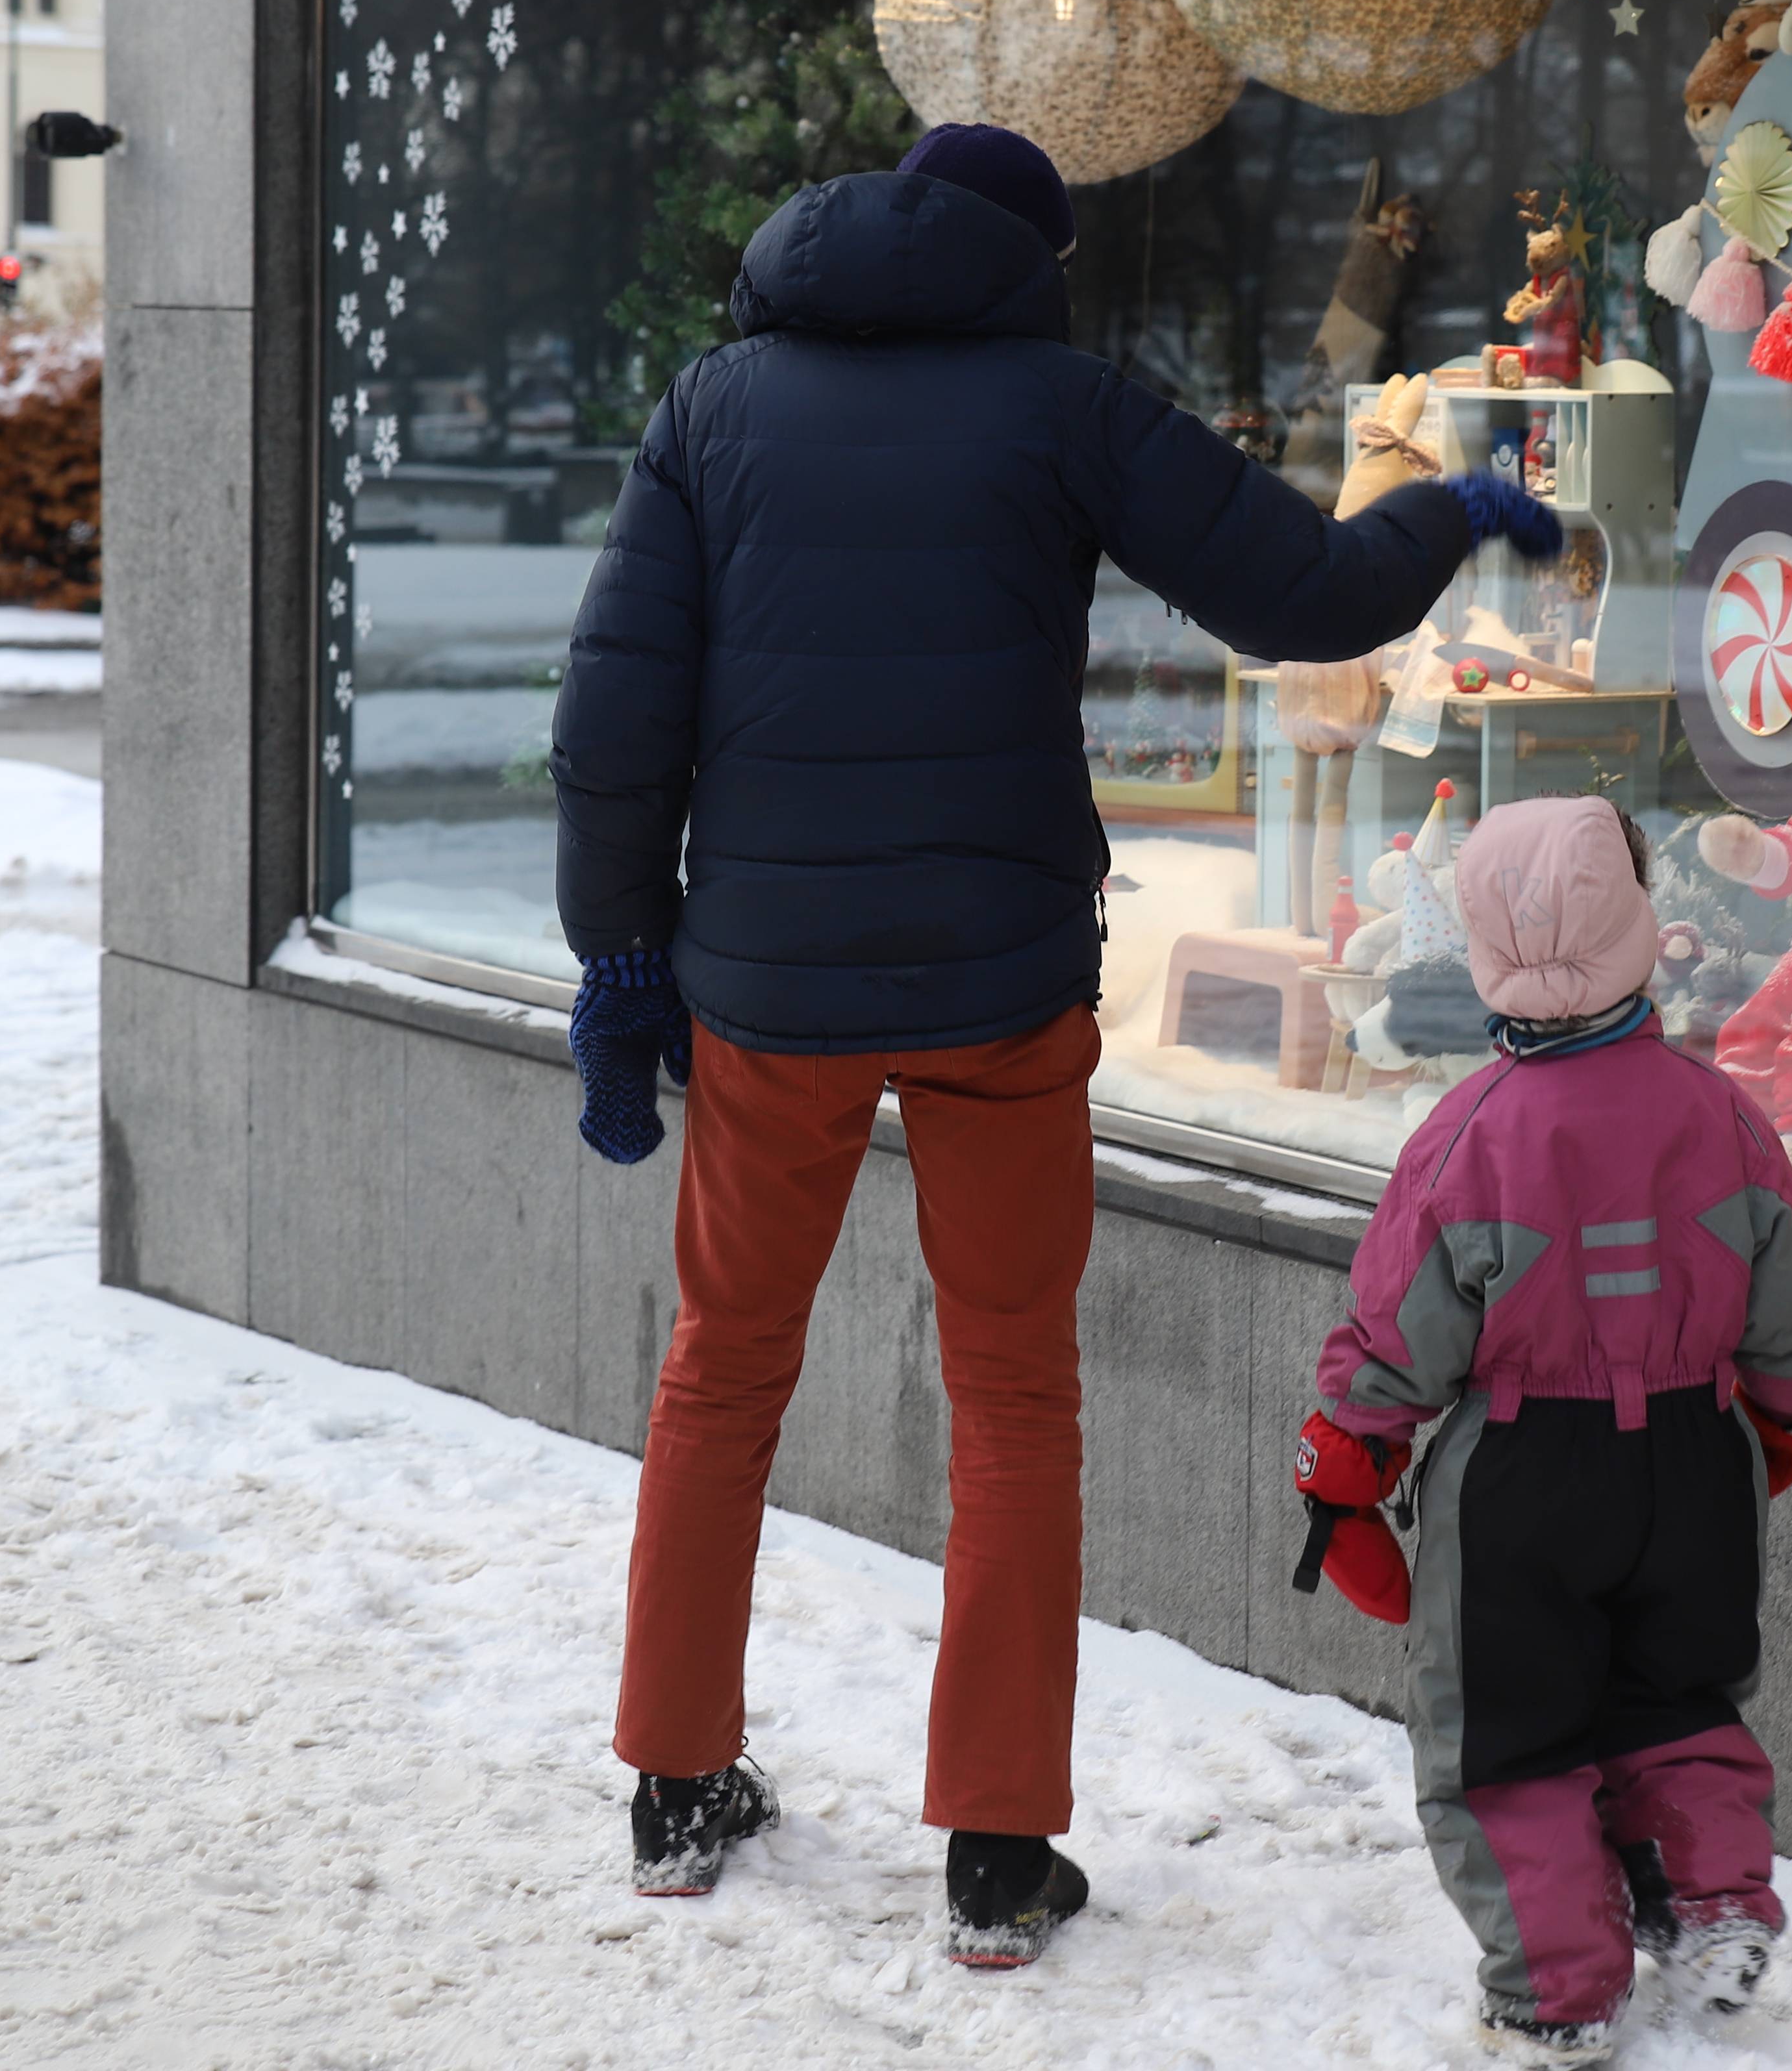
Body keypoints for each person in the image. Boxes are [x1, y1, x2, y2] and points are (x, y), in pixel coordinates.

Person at [552, 121, 1559, 1966]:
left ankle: (676, 1789)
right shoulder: (1060, 401)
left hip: (765, 986)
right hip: (1000, 983)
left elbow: (616, 709)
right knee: (1013, 1393)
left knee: (720, 1368)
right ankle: (998, 1856)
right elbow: (1306, 601)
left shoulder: (717, 405)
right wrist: (1450, 513)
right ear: (1019, 255)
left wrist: (621, 959)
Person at [1292, 794, 1792, 2063]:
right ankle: (1716, 1903)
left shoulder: (1469, 1137)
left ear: (1485, 945)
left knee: (1507, 1735)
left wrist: (1346, 1459)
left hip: (1525, 1480)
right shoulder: (1720, 1116)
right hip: (1695, 1460)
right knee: (1681, 1694)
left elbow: (1400, 1326)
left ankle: (1561, 1985)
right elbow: (1790, 1295)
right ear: (1638, 927)